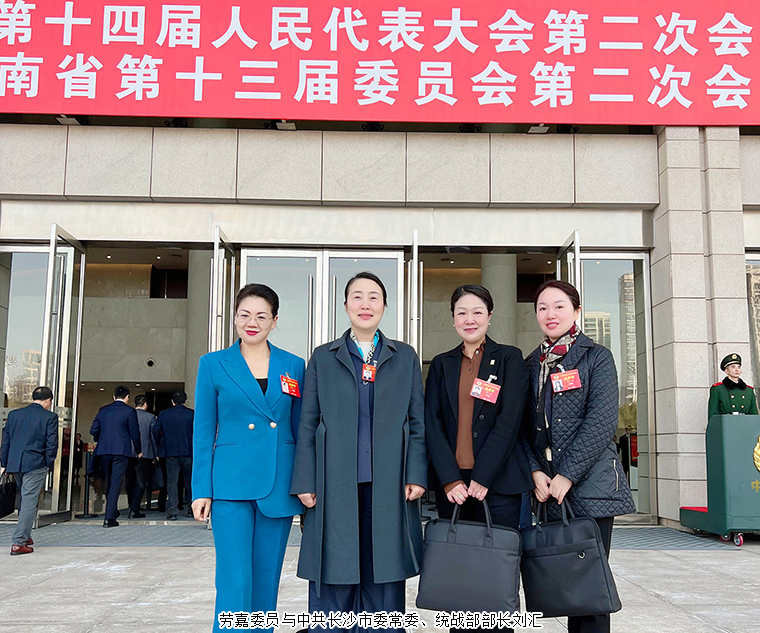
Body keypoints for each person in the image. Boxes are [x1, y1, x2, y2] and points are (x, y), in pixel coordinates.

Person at [291, 271, 427, 629]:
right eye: (357, 296)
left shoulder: (404, 356)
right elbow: (307, 422)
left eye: (373, 297)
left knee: (384, 567)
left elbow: (417, 422)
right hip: (333, 481)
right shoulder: (324, 357)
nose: (365, 304)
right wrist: (305, 480)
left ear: (384, 306)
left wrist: (416, 474)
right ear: (345, 305)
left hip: (390, 481)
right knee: (334, 565)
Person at [521, 280, 634, 633]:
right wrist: (535, 472)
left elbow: (601, 421)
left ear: (576, 310)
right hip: (549, 490)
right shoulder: (530, 364)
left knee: (590, 587)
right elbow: (521, 429)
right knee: (566, 585)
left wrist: (567, 475)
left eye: (559, 306)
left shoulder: (596, 357)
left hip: (590, 487)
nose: (550, 314)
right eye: (542, 307)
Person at [192, 283, 305, 633]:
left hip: (278, 483)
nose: (252, 322)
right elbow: (203, 431)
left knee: (267, 579)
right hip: (230, 484)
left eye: (261, 316)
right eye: (244, 315)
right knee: (234, 578)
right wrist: (201, 489)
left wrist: (305, 483)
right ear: (234, 318)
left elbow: (301, 430)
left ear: (274, 321)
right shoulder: (213, 364)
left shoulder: (294, 365)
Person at [425, 284, 533, 631]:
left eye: (477, 312)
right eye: (462, 312)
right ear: (453, 318)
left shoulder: (510, 358)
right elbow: (432, 424)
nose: (469, 319)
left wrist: (483, 476)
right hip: (453, 487)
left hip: (498, 484)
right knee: (457, 570)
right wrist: (449, 480)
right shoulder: (441, 364)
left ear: (489, 316)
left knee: (495, 572)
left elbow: (509, 421)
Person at [0, 386, 58, 555]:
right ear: (48, 400)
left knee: (25, 498)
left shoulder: (14, 415)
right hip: (36, 463)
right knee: (29, 501)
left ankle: (26, 535)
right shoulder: (50, 417)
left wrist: (4, 463)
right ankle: (19, 542)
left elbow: (6, 441)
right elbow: (52, 444)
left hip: (15, 464)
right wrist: (47, 463)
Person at [90, 385, 142, 528]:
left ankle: (112, 511)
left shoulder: (103, 410)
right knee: (116, 483)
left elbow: (93, 430)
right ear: (127, 398)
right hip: (121, 451)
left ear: (114, 397)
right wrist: (139, 450)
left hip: (104, 451)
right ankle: (109, 518)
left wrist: (102, 439)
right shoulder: (129, 411)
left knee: (108, 481)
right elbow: (135, 433)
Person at [154, 391, 194, 520]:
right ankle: (191, 508)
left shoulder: (164, 414)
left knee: (172, 482)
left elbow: (156, 431)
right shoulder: (191, 414)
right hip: (188, 451)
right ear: (185, 401)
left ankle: (173, 510)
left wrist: (161, 443)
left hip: (170, 452)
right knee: (189, 482)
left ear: (172, 402)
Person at [129, 394, 157, 517]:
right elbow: (153, 437)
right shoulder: (150, 418)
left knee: (130, 481)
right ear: (145, 404)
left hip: (129, 453)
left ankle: (131, 505)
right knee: (141, 482)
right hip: (145, 454)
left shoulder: (129, 415)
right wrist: (156, 453)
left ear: (134, 404)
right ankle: (134, 508)